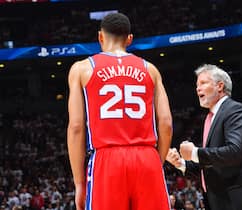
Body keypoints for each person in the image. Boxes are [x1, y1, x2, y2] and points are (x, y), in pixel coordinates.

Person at [67, 13, 172, 210]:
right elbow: (166, 123)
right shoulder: (150, 69)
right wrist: (157, 163)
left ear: (100, 37)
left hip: (106, 160)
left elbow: (75, 127)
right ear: (129, 39)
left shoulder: (81, 69)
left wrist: (80, 183)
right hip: (147, 157)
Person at [166, 64, 242, 210]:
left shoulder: (235, 110)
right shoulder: (210, 118)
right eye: (196, 85)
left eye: (203, 83)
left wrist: (195, 153)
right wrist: (181, 163)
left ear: (220, 86)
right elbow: (212, 165)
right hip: (222, 200)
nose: (197, 88)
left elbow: (235, 152)